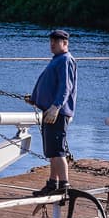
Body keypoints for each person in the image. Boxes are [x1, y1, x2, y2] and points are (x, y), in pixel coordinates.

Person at [27, 29, 77, 196]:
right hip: (49, 111)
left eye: (57, 40)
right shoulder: (58, 59)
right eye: (51, 40)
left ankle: (64, 186)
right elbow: (50, 84)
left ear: (65, 43)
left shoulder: (65, 60)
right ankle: (52, 184)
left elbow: (65, 87)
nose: (53, 43)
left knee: (57, 150)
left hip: (57, 113)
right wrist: (35, 98)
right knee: (52, 151)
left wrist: (56, 107)